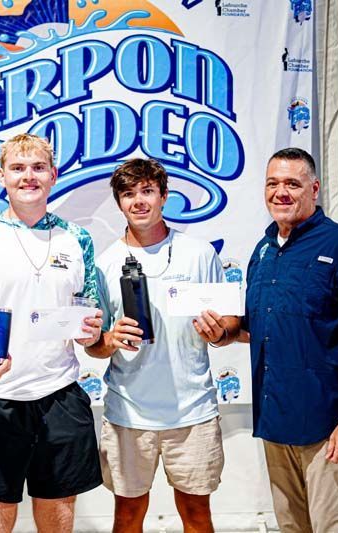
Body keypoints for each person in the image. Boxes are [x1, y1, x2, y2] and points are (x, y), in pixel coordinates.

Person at [0, 133, 104, 533]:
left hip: (59, 395)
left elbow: (88, 317)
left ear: (54, 175)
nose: (29, 176)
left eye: (38, 167)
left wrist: (90, 331)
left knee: (60, 512)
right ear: (1, 177)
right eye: (18, 168)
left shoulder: (77, 239)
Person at [85, 158, 240, 533]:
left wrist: (218, 332)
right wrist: (109, 339)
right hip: (128, 412)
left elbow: (233, 323)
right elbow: (94, 345)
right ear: (119, 203)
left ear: (164, 196)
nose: (138, 201)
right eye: (127, 194)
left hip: (192, 411)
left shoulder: (199, 253)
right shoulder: (104, 264)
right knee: (126, 516)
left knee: (197, 515)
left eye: (147, 191)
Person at [239, 148, 338, 532]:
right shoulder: (264, 249)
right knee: (292, 528)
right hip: (275, 423)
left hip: (326, 428)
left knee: (332, 528)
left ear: (315, 189)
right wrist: (220, 333)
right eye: (273, 183)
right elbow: (261, 327)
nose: (281, 192)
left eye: (293, 183)